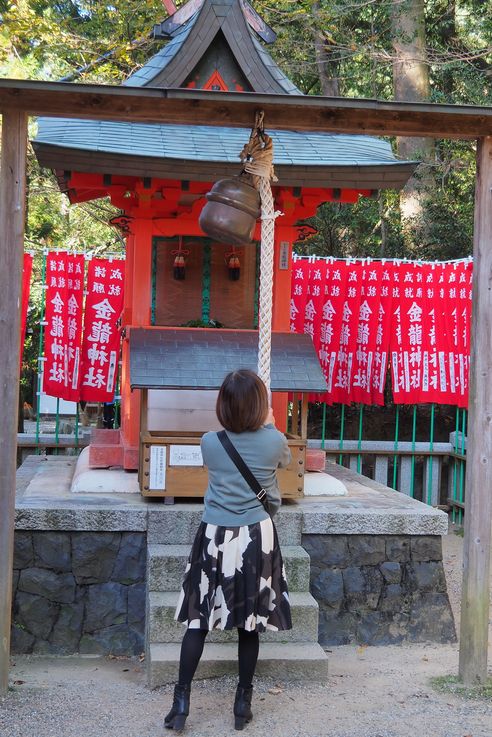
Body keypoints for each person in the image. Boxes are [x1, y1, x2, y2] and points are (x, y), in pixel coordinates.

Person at [165, 369, 292, 732]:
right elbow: (283, 460)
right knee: (248, 625)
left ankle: (182, 702)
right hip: (256, 536)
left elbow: (219, 464)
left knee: (197, 621)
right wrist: (267, 423)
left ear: (222, 405)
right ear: (260, 406)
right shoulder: (274, 441)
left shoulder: (209, 442)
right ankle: (242, 703)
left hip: (214, 535)